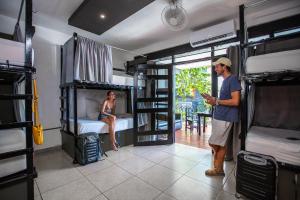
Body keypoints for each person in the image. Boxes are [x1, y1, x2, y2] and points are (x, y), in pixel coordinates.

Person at [202, 57, 242, 176]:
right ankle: (218, 169)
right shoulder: (226, 81)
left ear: (224, 67)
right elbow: (223, 100)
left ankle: (218, 168)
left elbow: (235, 101)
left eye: (217, 66)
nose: (215, 69)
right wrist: (213, 100)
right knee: (220, 144)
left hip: (224, 118)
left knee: (214, 143)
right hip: (221, 116)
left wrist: (217, 101)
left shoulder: (232, 79)